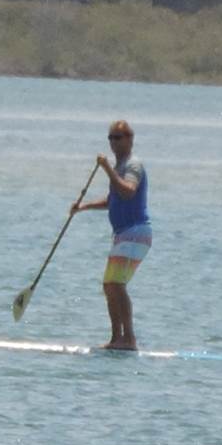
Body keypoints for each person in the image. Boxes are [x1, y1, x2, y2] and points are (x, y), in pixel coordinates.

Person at [68, 120, 148, 351]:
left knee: (115, 283)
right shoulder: (119, 166)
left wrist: (106, 169)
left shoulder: (133, 166)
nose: (114, 142)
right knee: (109, 285)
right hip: (124, 234)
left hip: (136, 232)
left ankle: (129, 339)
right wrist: (83, 207)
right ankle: (116, 339)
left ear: (130, 139)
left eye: (118, 137)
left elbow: (128, 191)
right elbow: (113, 200)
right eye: (111, 138)